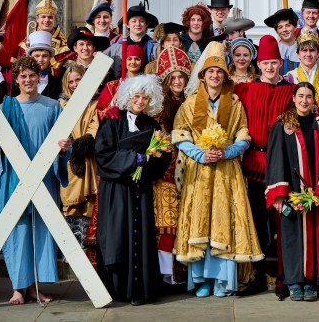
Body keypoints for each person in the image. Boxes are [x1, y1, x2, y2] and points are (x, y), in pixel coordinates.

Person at [173, 42, 263, 297]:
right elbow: (180, 135)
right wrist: (200, 154)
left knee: (224, 220)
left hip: (226, 172)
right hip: (199, 172)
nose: (215, 76)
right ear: (203, 75)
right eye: (210, 72)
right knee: (200, 221)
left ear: (225, 76)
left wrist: (227, 152)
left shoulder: (234, 104)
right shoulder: (190, 104)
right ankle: (201, 279)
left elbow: (244, 137)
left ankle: (223, 280)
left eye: (219, 73)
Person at [0, 56, 72, 305]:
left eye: (32, 75)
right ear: (16, 79)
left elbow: (63, 143)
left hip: (43, 177)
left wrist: (65, 148)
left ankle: (34, 287)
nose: (28, 80)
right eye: (22, 76)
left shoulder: (53, 106)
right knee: (18, 230)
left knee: (42, 230)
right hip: (14, 176)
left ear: (39, 77)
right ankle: (18, 288)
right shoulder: (5, 108)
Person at [94, 74, 172, 306]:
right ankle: (117, 289)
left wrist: (150, 161)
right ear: (128, 96)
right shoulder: (111, 121)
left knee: (141, 236)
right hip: (117, 190)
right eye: (136, 96)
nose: (140, 101)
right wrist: (133, 158)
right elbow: (103, 155)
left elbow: (163, 157)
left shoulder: (152, 125)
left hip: (140, 189)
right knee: (118, 236)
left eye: (145, 97)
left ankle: (140, 290)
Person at [266, 82, 319, 301]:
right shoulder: (283, 124)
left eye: (309, 96)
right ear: (293, 98)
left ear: (314, 99)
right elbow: (276, 159)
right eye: (300, 96)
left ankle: (312, 282)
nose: (304, 100)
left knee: (316, 236)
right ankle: (294, 281)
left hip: (315, 193)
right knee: (291, 237)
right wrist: (280, 193)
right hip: (292, 193)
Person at [233, 35, 294, 296]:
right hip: (252, 162)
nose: (270, 67)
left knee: (284, 222)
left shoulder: (290, 92)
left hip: (280, 163)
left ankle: (285, 276)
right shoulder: (244, 90)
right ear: (259, 64)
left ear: (281, 64)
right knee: (256, 221)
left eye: (274, 63)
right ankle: (256, 276)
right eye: (266, 63)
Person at [153, 46, 192, 285]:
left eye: (181, 77)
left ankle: (184, 271)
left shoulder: (192, 102)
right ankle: (166, 274)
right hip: (166, 169)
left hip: (190, 167)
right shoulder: (158, 106)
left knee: (186, 220)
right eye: (173, 78)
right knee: (166, 223)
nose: (177, 81)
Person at [59, 64, 101, 264]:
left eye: (79, 80)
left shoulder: (95, 103)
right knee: (71, 203)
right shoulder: (61, 104)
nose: (76, 85)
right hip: (69, 160)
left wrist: (83, 144)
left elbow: (95, 127)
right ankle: (71, 251)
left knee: (89, 205)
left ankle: (87, 250)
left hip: (89, 158)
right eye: (72, 81)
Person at [15, 0, 72, 74]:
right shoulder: (24, 45)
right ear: (37, 19)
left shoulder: (65, 47)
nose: (46, 20)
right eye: (43, 17)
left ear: (55, 19)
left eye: (50, 17)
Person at [285, 30, 319, 115]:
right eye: (304, 50)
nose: (308, 54)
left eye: (312, 50)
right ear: (298, 54)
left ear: (318, 54)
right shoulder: (290, 77)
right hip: (297, 123)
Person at [106, 3, 159, 78]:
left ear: (146, 24)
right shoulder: (115, 48)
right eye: (134, 21)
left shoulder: (156, 48)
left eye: (142, 21)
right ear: (127, 24)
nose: (138, 24)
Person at [97, 44, 145, 120]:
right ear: (124, 61)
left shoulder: (146, 85)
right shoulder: (112, 86)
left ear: (141, 61)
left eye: (137, 59)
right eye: (129, 59)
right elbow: (99, 113)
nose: (133, 62)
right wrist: (113, 101)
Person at [11, 31, 63, 100]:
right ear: (30, 57)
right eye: (37, 56)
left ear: (50, 57)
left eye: (44, 56)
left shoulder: (59, 80)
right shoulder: (20, 82)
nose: (40, 60)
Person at [264, 8, 300, 75]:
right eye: (280, 27)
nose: (284, 30)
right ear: (277, 31)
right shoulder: (272, 51)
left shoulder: (304, 51)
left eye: (288, 25)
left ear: (295, 27)